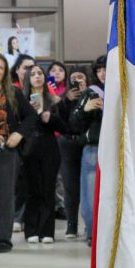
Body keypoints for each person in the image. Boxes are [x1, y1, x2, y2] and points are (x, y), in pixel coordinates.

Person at [0, 53, 36, 253]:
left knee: (5, 197)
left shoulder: (13, 92)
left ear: (5, 73)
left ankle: (3, 240)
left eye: (0, 67)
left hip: (6, 152)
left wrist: (19, 134)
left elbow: (31, 116)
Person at [21, 65, 67, 244]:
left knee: (48, 190)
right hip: (29, 147)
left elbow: (65, 127)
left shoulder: (53, 100)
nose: (37, 77)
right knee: (32, 190)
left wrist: (50, 118)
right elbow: (17, 124)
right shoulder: (22, 100)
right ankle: (31, 229)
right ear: (28, 79)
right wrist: (33, 114)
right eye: (32, 74)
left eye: (40, 73)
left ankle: (47, 231)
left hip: (49, 148)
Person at [70, 57, 105, 247]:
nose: (102, 73)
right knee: (90, 195)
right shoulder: (91, 93)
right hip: (93, 147)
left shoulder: (123, 90)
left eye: (105, 69)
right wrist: (85, 109)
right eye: (99, 70)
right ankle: (92, 233)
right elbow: (73, 124)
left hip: (119, 149)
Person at [57, 65, 88, 239]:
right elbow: (59, 120)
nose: (77, 80)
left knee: (88, 187)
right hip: (68, 144)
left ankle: (88, 225)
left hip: (86, 143)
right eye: (74, 77)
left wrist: (86, 95)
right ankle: (71, 225)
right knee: (70, 187)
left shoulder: (92, 92)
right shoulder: (65, 96)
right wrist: (65, 100)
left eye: (81, 77)